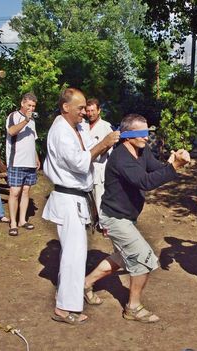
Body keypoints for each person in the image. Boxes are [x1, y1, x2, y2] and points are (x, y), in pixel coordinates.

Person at [84, 114, 190, 324]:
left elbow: (156, 169)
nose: (145, 137)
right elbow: (145, 181)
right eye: (141, 133)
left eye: (147, 132)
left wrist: (172, 163)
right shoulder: (121, 158)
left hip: (125, 216)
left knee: (123, 257)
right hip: (114, 217)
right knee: (143, 258)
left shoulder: (142, 151)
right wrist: (173, 168)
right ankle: (133, 307)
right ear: (127, 136)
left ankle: (84, 284)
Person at [42, 87, 120, 325]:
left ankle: (67, 299)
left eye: (86, 108)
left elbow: (89, 150)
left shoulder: (75, 128)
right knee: (73, 256)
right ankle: (63, 309)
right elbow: (79, 161)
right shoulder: (60, 132)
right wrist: (104, 143)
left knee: (76, 254)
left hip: (77, 198)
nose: (84, 112)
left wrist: (107, 143)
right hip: (68, 198)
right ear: (65, 107)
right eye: (80, 108)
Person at [5, 93, 40, 236]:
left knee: (26, 191)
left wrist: (36, 158)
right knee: (15, 192)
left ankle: (22, 220)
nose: (31, 108)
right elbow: (11, 131)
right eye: (29, 105)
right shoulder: (13, 116)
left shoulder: (33, 121)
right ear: (22, 103)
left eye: (33, 106)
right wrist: (26, 120)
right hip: (16, 161)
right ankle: (13, 223)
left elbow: (33, 140)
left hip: (30, 162)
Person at [85, 98, 114, 216]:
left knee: (100, 195)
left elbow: (110, 146)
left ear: (99, 110)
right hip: (85, 165)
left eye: (93, 110)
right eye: (88, 111)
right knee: (86, 194)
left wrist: (97, 153)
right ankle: (89, 219)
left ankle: (104, 224)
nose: (90, 114)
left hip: (99, 166)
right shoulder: (82, 125)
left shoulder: (106, 126)